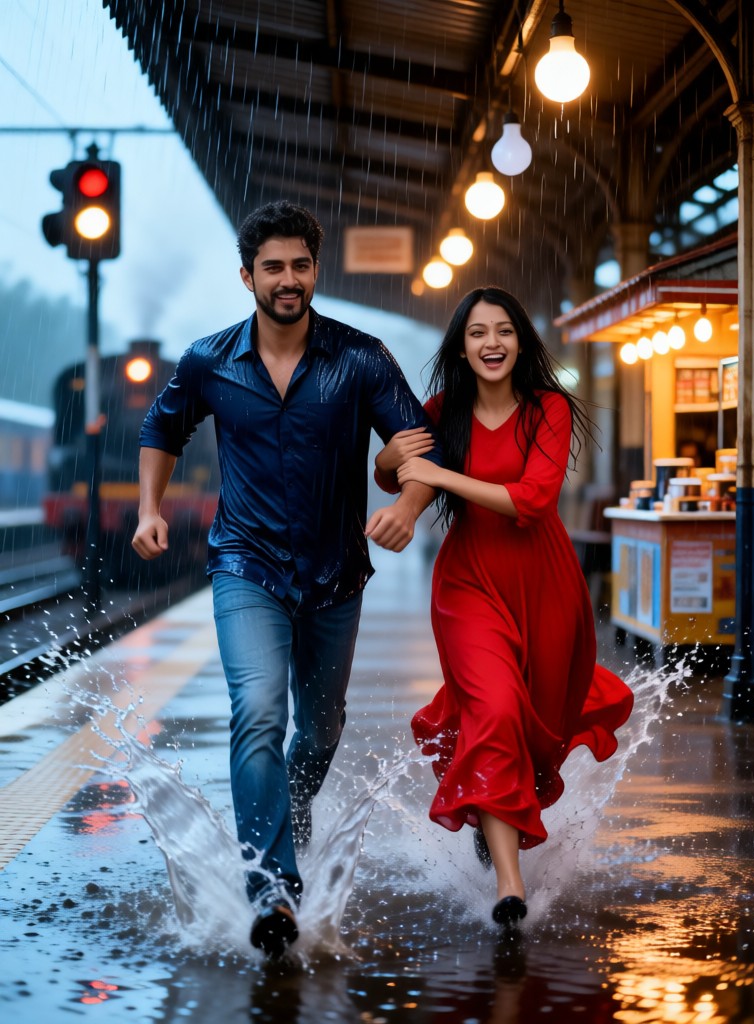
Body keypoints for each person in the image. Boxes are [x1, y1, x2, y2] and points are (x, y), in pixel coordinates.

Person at [132, 201, 438, 959]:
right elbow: (161, 429)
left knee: (322, 727)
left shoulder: (361, 358)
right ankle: (272, 888)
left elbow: (416, 442)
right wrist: (148, 508)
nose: (289, 279)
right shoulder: (210, 360)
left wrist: (407, 499)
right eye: (273, 267)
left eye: (301, 264)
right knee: (259, 710)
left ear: (314, 270)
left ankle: (286, 815)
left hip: (337, 574)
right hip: (245, 566)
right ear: (248, 277)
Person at [375, 286, 634, 934]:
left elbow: (534, 499)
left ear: (521, 343)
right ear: (461, 348)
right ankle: (510, 890)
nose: (491, 343)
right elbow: (392, 472)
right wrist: (392, 460)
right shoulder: (440, 411)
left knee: (532, 729)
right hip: (467, 586)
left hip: (546, 588)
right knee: (494, 710)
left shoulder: (548, 409)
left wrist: (438, 477)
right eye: (477, 333)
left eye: (504, 332)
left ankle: (494, 825)